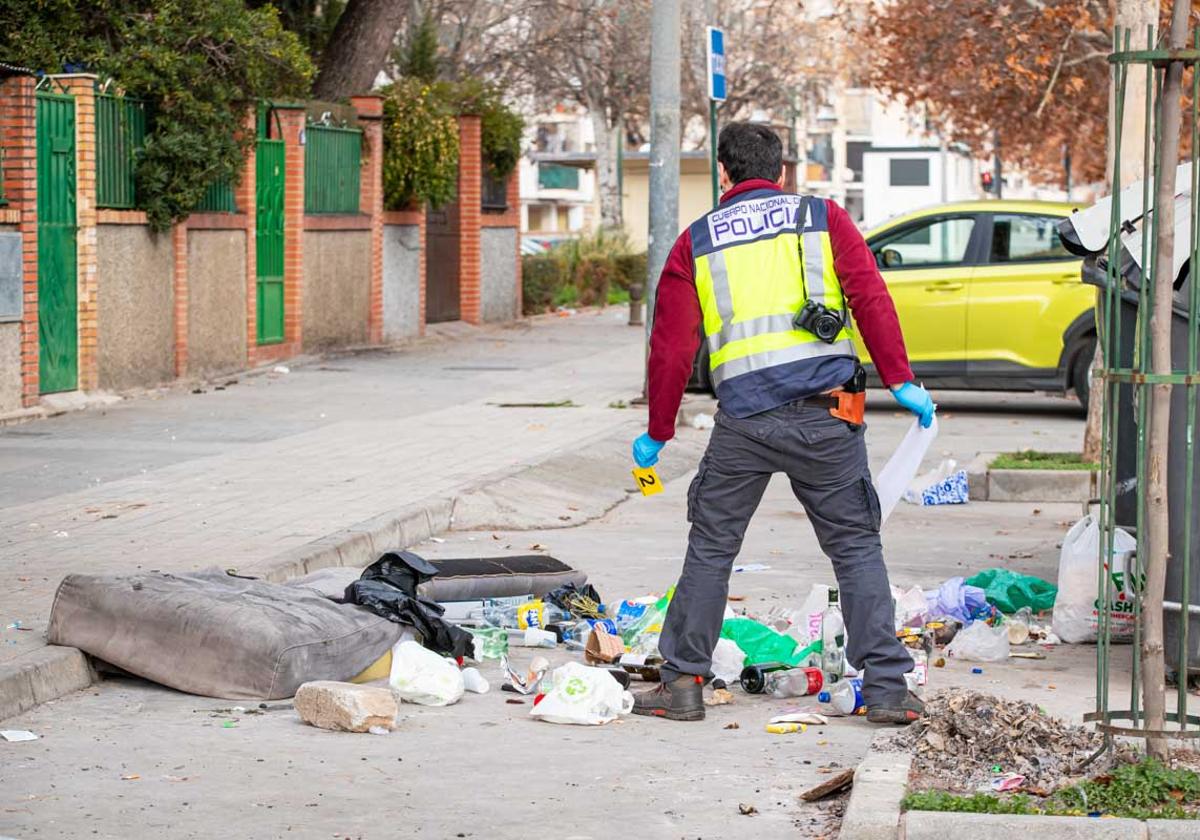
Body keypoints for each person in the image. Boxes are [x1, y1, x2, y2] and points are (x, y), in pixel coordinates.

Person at [630, 122, 935, 725]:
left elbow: (670, 348)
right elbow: (870, 295)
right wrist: (900, 380)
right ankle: (887, 691)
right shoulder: (823, 218)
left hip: (743, 423)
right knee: (854, 547)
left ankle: (683, 683)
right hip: (829, 415)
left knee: (713, 547)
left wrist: (658, 432)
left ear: (723, 173)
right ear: (783, 173)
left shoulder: (697, 241)